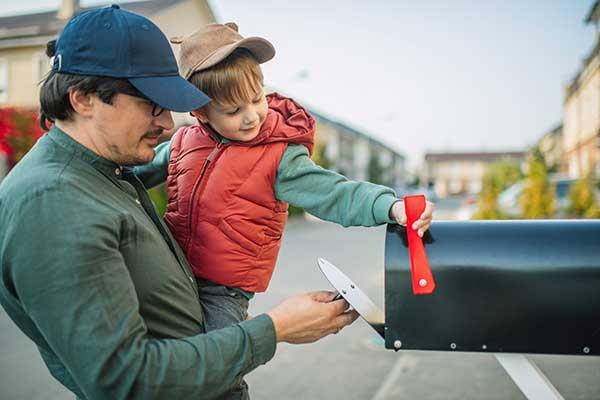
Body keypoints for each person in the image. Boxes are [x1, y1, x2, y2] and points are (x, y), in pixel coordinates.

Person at [0, 6, 358, 400]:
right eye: (151, 103)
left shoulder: (104, 171)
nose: (168, 124)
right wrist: (276, 329)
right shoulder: (53, 202)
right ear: (84, 98)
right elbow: (127, 379)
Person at [136, 23, 434, 398]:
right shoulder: (183, 142)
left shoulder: (278, 155)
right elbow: (133, 173)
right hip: (173, 272)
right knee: (168, 357)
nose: (251, 116)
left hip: (223, 290)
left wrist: (389, 206)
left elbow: (334, 193)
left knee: (221, 366)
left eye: (257, 98)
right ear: (202, 113)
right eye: (233, 109)